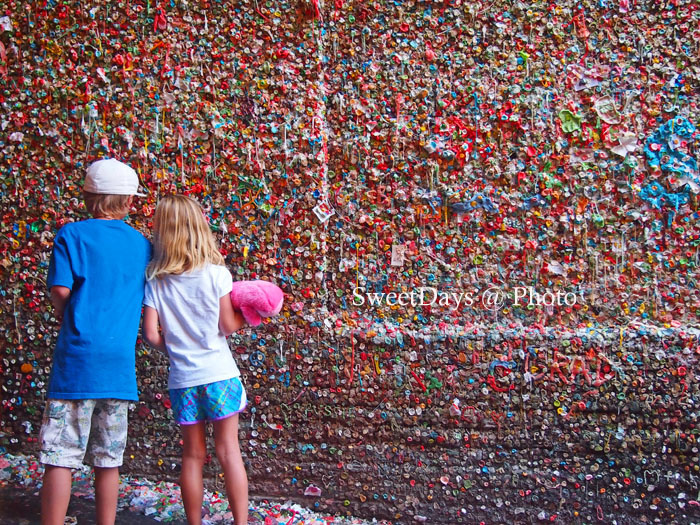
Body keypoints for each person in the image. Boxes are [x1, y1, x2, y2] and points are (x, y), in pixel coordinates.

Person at [40, 158, 152, 525]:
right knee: (109, 457)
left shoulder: (71, 235)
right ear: (130, 202)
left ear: (88, 195)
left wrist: (67, 315)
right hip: (117, 364)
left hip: (76, 360)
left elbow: (60, 288)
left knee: (61, 453)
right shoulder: (141, 244)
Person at [141, 194, 248, 525]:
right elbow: (228, 326)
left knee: (192, 455)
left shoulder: (155, 280)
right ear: (199, 228)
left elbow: (150, 335)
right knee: (229, 452)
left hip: (183, 381)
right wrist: (250, 317)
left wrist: (175, 350)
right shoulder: (217, 274)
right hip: (220, 375)